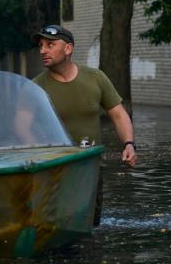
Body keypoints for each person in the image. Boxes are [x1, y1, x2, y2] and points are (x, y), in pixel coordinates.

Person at [31, 24, 138, 167]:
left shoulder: (96, 78)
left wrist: (129, 144)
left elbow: (119, 114)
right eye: (41, 45)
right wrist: (39, 156)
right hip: (54, 170)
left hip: (92, 169)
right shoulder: (35, 87)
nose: (43, 50)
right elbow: (21, 125)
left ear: (68, 48)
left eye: (50, 45)